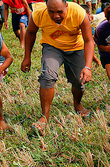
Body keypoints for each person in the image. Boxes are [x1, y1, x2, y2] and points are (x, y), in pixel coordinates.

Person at [20, 0, 94, 130]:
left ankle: (77, 105)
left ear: (66, 6)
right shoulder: (38, 14)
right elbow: (31, 33)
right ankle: (44, 116)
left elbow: (88, 40)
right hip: (52, 47)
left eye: (60, 11)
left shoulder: (79, 12)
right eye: (51, 12)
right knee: (47, 77)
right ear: (46, 7)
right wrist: (27, 57)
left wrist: (87, 67)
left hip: (76, 48)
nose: (56, 16)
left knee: (78, 80)